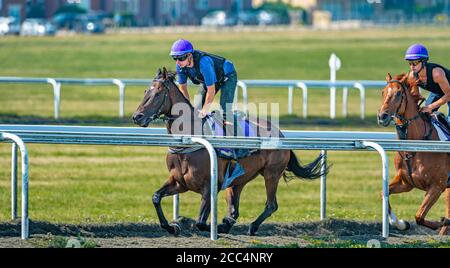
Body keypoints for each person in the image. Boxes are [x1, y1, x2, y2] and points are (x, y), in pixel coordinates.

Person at [170, 39, 237, 121]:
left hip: (227, 76)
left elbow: (211, 90)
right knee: (197, 109)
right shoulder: (180, 66)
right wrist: (188, 108)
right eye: (174, 58)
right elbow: (183, 88)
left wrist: (205, 110)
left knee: (225, 111)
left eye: (181, 58)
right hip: (211, 80)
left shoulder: (204, 62)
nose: (178, 62)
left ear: (190, 55)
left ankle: (235, 126)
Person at [405, 44, 450, 119]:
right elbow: (416, 97)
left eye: (415, 62)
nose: (412, 66)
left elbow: (449, 95)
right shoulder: (412, 76)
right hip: (438, 92)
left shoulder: (437, 73)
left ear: (424, 62)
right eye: (410, 63)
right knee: (423, 115)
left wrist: (431, 107)